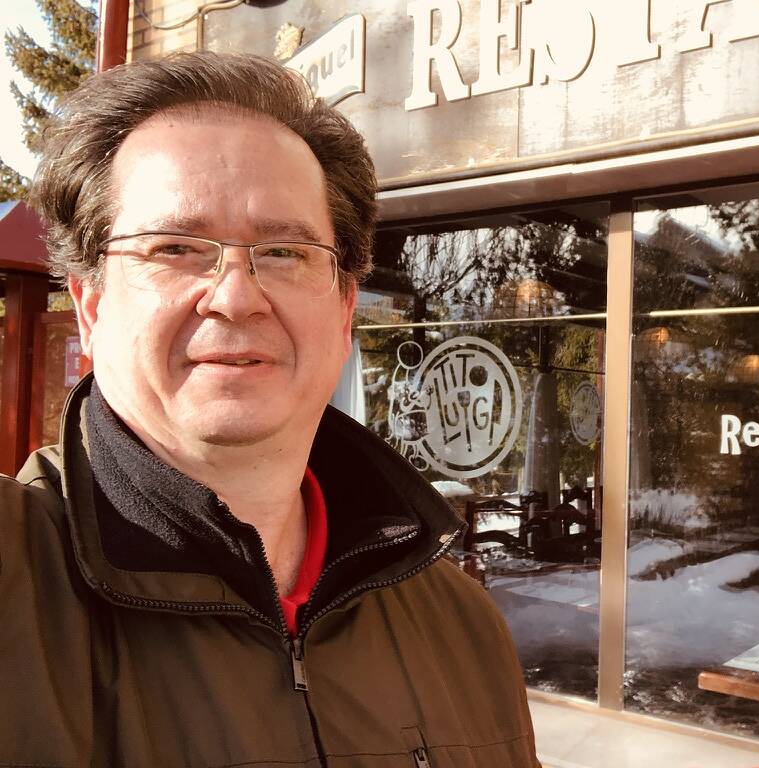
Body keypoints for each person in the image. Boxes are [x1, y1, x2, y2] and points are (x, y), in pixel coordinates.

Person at [1, 51, 539, 767]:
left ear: (343, 312)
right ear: (92, 308)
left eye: (285, 252)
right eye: (175, 248)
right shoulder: (15, 586)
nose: (235, 297)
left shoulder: (460, 623)